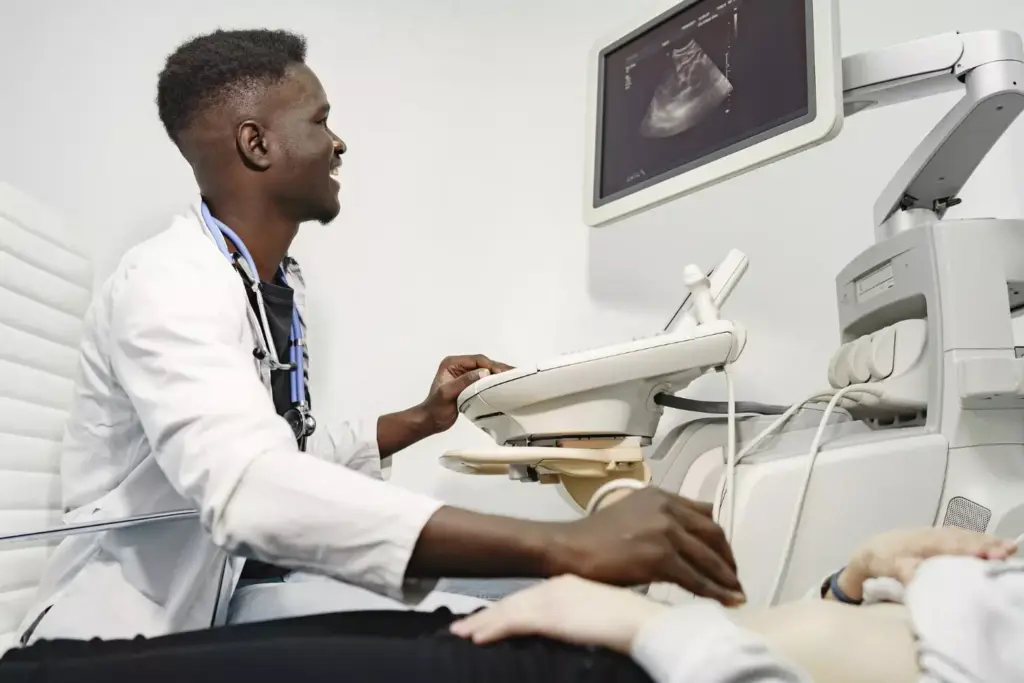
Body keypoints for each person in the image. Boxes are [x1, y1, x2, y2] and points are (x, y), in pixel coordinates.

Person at [16, 28, 743, 646]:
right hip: (107, 637)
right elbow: (249, 488)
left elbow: (281, 455)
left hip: (213, 595)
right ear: (257, 143)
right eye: (320, 120)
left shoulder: (270, 285)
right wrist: (563, 543)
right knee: (508, 643)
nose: (338, 142)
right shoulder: (166, 282)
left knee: (493, 614)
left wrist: (423, 418)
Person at [4, 526, 1017, 682]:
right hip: (616, 650)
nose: (340, 138)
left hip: (618, 660)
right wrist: (857, 574)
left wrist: (638, 618)